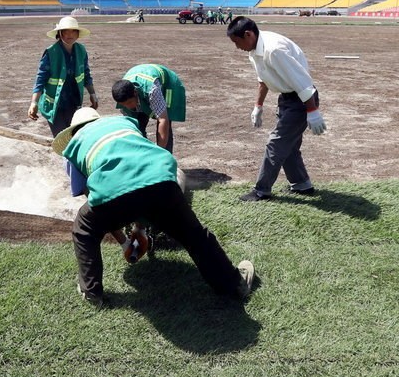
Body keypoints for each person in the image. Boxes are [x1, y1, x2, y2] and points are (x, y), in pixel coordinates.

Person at [52, 108, 255, 309]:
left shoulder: (74, 147)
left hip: (116, 189)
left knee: (84, 229)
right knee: (194, 235)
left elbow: (96, 199)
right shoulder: (124, 124)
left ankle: (92, 293)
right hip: (162, 179)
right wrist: (139, 228)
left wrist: (125, 242)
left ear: (73, 131)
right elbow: (143, 170)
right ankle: (233, 284)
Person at [227, 16, 326, 202]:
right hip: (287, 99)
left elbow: (303, 82)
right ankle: (301, 184)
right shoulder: (254, 49)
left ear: (248, 35)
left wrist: (312, 111)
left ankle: (261, 191)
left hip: (302, 100)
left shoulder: (274, 50)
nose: (236, 47)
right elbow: (263, 81)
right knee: (288, 146)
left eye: (237, 41)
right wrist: (258, 106)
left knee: (276, 143)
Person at [27, 16, 99, 136]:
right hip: (55, 105)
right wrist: (34, 102)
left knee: (74, 135)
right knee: (61, 136)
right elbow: (40, 79)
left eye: (73, 31)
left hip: (74, 102)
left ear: (78, 34)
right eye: (65, 31)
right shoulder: (51, 52)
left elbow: (86, 74)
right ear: (59, 33)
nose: (69, 34)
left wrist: (93, 94)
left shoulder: (81, 50)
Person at [111, 64, 186, 153]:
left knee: (166, 122)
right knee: (138, 125)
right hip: (139, 80)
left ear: (135, 93)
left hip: (167, 86)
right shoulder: (122, 93)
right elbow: (133, 127)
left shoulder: (152, 89)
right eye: (124, 104)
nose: (128, 107)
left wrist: (159, 153)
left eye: (130, 103)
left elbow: (163, 120)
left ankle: (165, 158)